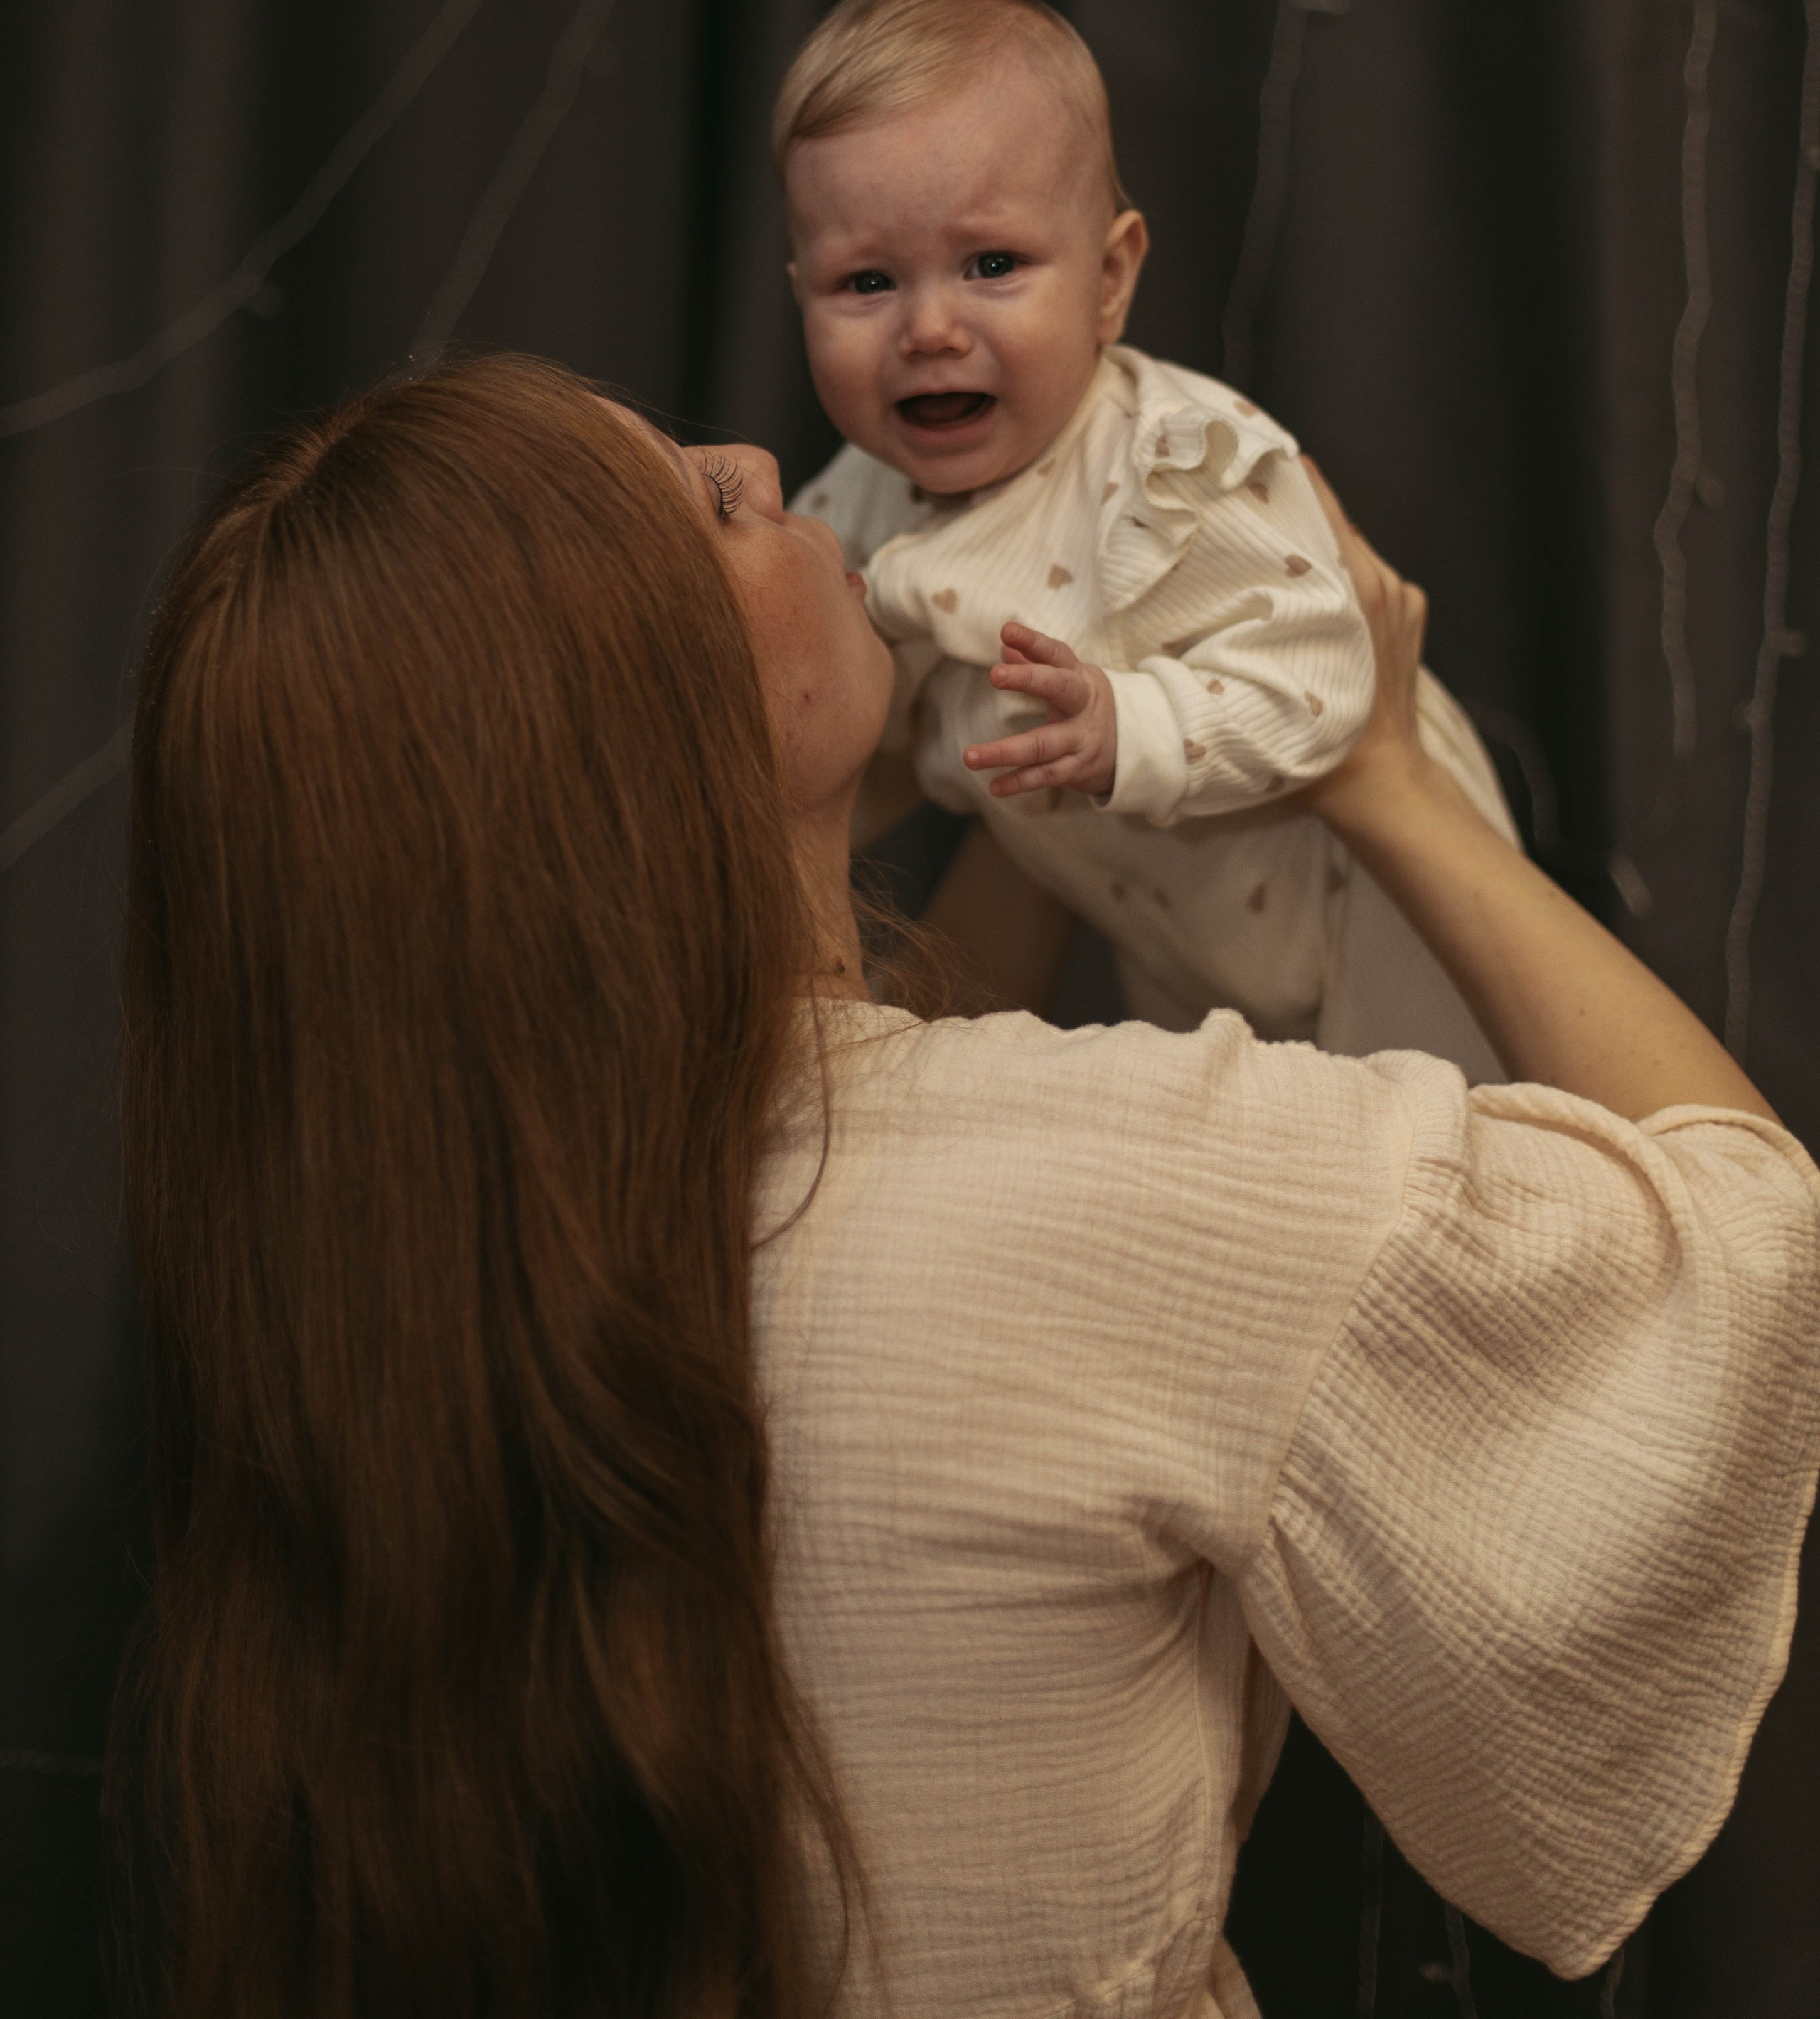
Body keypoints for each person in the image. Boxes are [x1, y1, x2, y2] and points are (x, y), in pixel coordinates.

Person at [112, 352, 1820, 2019]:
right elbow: (1741, 1243)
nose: (775, 470)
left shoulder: (363, 1302)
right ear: (639, 730)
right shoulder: (1133, 1192)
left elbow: (873, 1113)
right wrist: (1382, 774)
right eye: (709, 504)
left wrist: (1061, 805)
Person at [779, 0, 1513, 1072]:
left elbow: (1325, 663)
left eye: (992, 265)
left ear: (1111, 279)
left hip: (1363, 895)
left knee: (1457, 1136)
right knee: (1252, 1162)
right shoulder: (858, 500)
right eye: (867, 282)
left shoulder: (1172, 463)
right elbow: (824, 709)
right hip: (1180, 926)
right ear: (801, 293)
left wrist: (1135, 725)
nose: (930, 327)